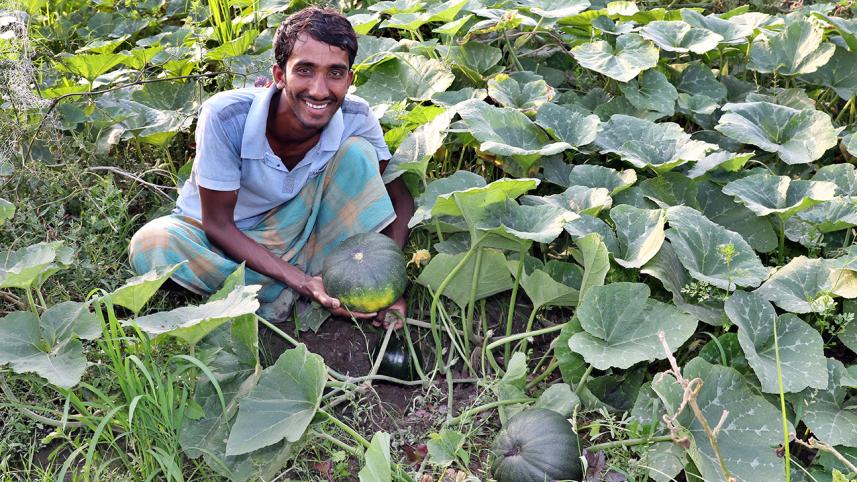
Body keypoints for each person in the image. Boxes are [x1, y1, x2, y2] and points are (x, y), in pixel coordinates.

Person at [128, 6, 414, 328]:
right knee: (151, 243)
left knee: (359, 154)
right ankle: (302, 289)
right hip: (224, 238)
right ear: (280, 75)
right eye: (305, 70)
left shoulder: (357, 117)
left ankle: (283, 288)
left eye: (335, 73)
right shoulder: (225, 116)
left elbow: (399, 197)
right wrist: (301, 281)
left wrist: (385, 280)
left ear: (349, 79)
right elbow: (218, 225)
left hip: (301, 231)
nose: (319, 90)